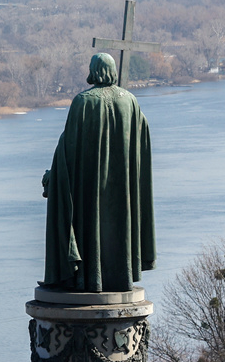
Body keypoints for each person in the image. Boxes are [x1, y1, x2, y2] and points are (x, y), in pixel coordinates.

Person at [42, 52, 156, 293]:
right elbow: (141, 140)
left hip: (89, 188)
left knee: (89, 224)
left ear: (94, 70)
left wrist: (54, 176)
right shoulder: (130, 102)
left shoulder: (83, 102)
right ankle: (121, 277)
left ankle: (88, 278)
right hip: (123, 189)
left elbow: (68, 149)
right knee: (119, 225)